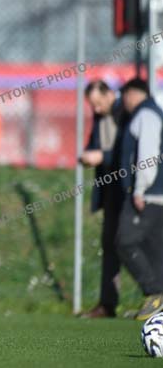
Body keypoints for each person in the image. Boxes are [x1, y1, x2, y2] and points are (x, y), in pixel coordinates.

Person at [115, 78, 163, 321]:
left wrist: (139, 189)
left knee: (125, 241)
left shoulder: (146, 115)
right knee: (154, 248)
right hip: (156, 194)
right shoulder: (150, 113)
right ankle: (158, 303)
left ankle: (154, 293)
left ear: (134, 93)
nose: (123, 100)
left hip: (149, 193)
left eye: (125, 95)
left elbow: (148, 154)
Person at [78, 80, 125, 318]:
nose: (95, 109)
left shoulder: (125, 114)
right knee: (109, 245)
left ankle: (154, 296)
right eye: (91, 105)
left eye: (98, 103)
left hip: (129, 191)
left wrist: (102, 156)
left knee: (132, 244)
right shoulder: (99, 118)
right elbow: (94, 145)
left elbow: (128, 152)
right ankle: (107, 304)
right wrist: (87, 156)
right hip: (109, 192)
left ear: (109, 95)